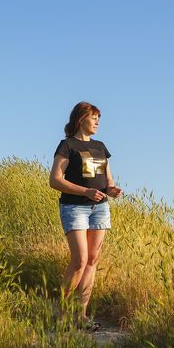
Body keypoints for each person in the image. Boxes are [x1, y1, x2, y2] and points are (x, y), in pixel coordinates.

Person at [49, 102, 122, 330]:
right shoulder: (67, 145)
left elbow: (107, 178)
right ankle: (59, 314)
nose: (98, 122)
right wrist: (86, 191)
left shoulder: (101, 146)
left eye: (99, 118)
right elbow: (55, 180)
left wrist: (112, 189)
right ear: (81, 119)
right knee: (79, 260)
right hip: (74, 207)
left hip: (100, 208)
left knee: (92, 260)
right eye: (94, 117)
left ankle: (80, 316)